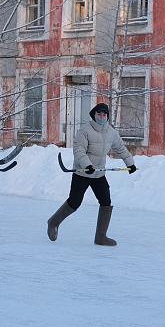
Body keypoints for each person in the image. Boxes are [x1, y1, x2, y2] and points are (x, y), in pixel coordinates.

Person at [46, 102, 137, 246]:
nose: (101, 117)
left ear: (107, 116)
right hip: (82, 173)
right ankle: (53, 222)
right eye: (99, 114)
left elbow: (120, 148)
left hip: (98, 174)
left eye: (104, 114)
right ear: (94, 115)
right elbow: (79, 151)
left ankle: (101, 237)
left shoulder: (110, 132)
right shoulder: (85, 131)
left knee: (106, 201)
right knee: (74, 203)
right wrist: (87, 165)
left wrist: (130, 163)